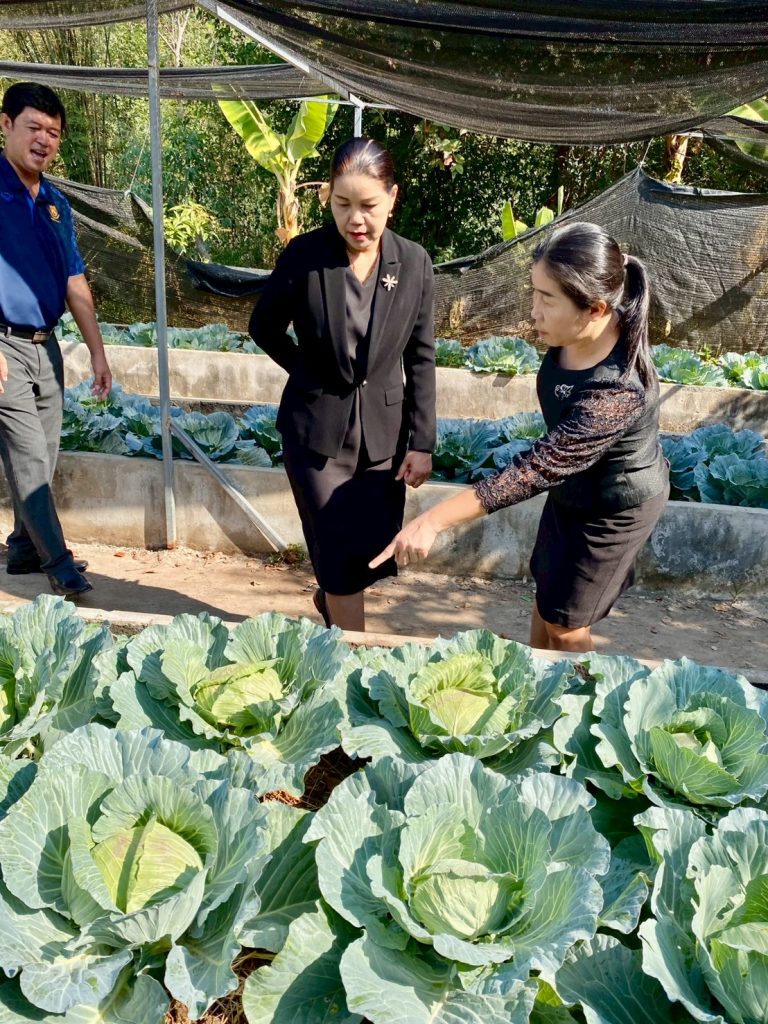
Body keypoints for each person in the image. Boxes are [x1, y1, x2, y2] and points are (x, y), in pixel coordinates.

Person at [372, 221, 669, 653]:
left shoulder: (618, 390)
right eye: (535, 292)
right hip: (571, 487)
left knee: (567, 626)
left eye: (547, 298)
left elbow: (535, 469)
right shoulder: (572, 330)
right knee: (548, 598)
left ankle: (580, 693)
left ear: (596, 309)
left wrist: (432, 521)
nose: (534, 311)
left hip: (615, 506)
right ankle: (537, 680)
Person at [249, 137, 435, 631]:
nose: (356, 219)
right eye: (342, 204)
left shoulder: (414, 262)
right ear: (328, 198)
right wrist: (306, 369)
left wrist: (422, 442)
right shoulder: (305, 255)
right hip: (316, 432)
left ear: (392, 197)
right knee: (338, 559)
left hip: (383, 437)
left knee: (367, 553)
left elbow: (421, 355)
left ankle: (331, 600)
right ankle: (352, 652)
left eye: (368, 206)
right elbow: (263, 326)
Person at [0, 82, 111, 596]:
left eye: (53, 132)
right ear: (6, 125)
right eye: (34, 127)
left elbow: (74, 282)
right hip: (4, 344)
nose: (44, 140)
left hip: (46, 347)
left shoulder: (56, 205)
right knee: (27, 456)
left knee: (44, 455)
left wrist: (97, 351)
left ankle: (24, 546)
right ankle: (59, 563)